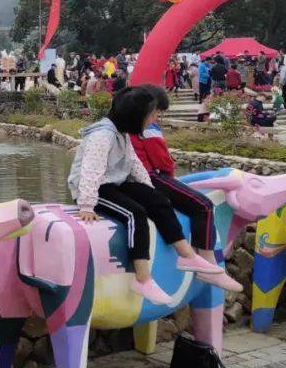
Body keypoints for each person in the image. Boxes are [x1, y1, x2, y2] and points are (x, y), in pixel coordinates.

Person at [67, 87, 221, 305]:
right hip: (93, 188)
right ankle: (143, 278)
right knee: (135, 214)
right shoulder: (102, 135)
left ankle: (187, 255)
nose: (154, 119)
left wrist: (149, 190)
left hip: (115, 182)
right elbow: (90, 171)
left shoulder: (122, 133)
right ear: (135, 117)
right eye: (152, 115)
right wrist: (86, 205)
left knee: (158, 200)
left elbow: (134, 164)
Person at [130, 85, 241, 291]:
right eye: (158, 112)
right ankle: (207, 263)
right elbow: (162, 160)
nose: (158, 116)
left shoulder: (128, 123)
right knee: (204, 205)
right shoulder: (148, 126)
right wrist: (171, 178)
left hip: (136, 178)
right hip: (151, 176)